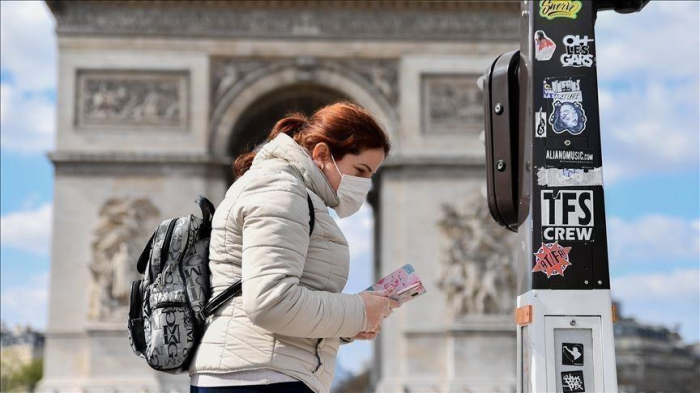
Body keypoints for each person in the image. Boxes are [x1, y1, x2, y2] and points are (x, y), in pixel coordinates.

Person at [189, 101, 399, 393]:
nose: (364, 185)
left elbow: (283, 307)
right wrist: (359, 309)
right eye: (360, 170)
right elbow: (271, 304)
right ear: (322, 153)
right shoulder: (281, 191)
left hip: (262, 373)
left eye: (370, 176)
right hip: (260, 378)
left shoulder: (292, 191)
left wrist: (350, 324)